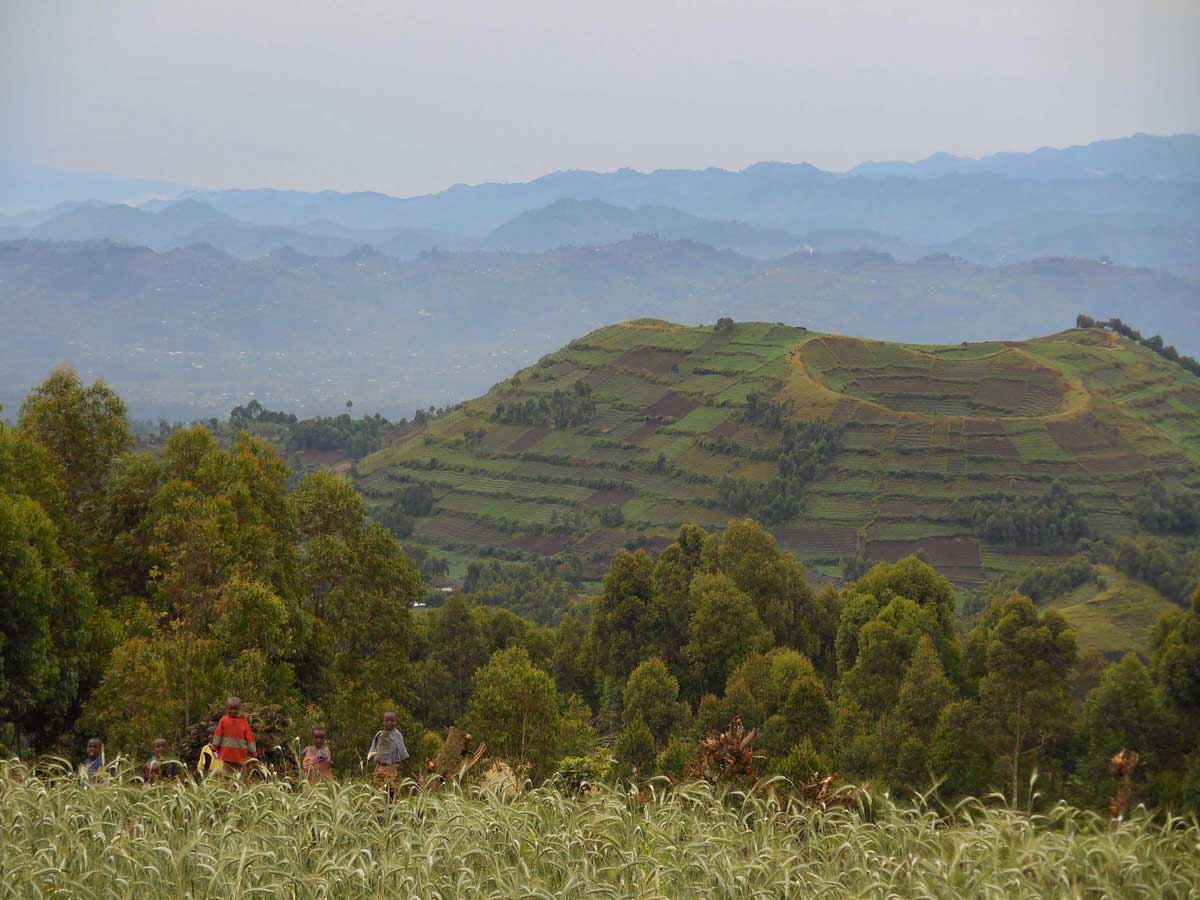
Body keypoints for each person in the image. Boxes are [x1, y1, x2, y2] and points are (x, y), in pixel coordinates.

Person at [211, 696, 258, 777]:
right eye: (231, 709)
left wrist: (214, 748)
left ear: (239, 709)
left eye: (235, 709)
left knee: (229, 776)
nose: (233, 711)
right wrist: (253, 752)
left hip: (229, 755)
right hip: (238, 756)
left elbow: (249, 737)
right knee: (237, 777)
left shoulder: (240, 721)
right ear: (227, 709)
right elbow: (218, 735)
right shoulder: (227, 721)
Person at [367, 710, 409, 790]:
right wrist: (371, 754)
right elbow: (374, 745)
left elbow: (401, 747)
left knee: (391, 785)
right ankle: (380, 798)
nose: (389, 722)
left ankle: (392, 798)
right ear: (383, 722)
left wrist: (404, 757)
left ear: (396, 722)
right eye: (387, 721)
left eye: (392, 721)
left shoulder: (397, 735)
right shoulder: (380, 734)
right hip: (380, 765)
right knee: (379, 784)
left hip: (392, 766)